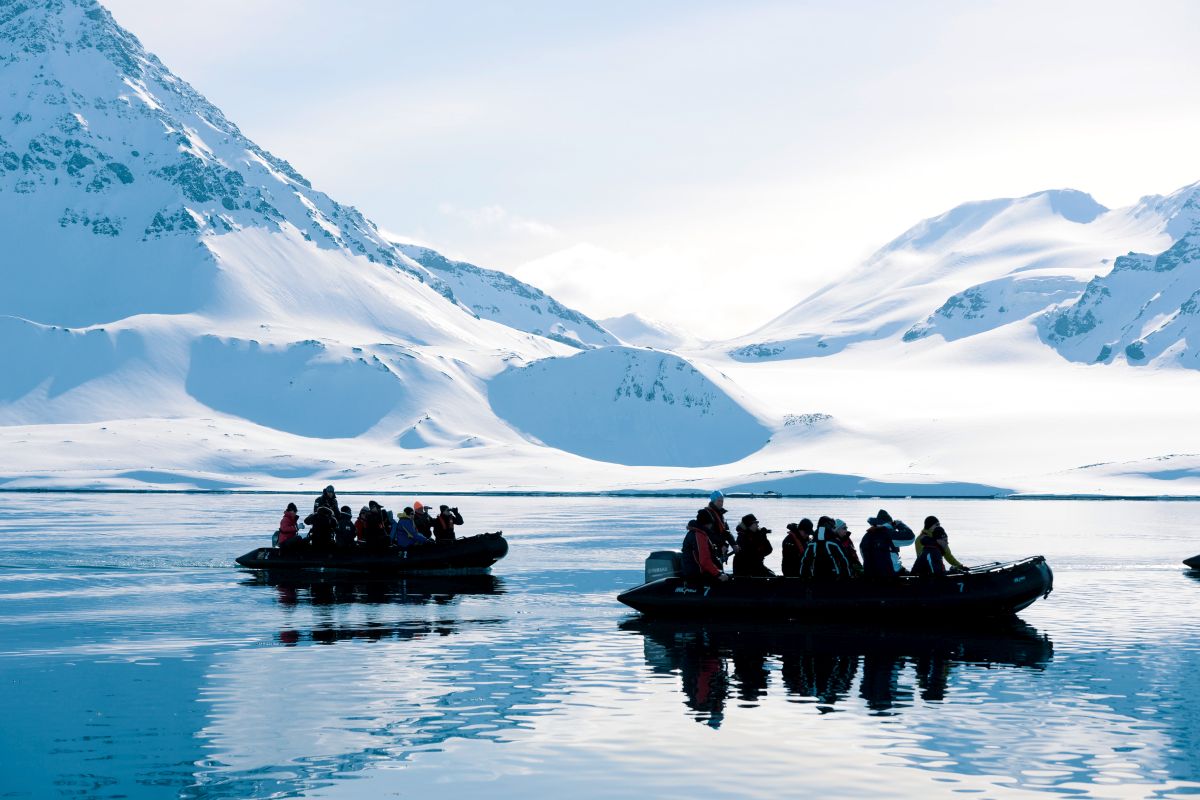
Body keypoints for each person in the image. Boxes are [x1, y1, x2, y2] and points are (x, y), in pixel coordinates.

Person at [858, 509, 915, 578]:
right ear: (889, 522)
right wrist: (900, 524)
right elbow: (910, 538)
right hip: (890, 575)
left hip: (871, 575)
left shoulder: (866, 537)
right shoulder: (888, 534)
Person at [681, 508, 729, 585]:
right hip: (696, 574)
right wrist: (718, 574)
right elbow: (704, 560)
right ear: (707, 523)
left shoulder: (699, 533)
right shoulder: (699, 535)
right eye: (711, 523)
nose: (711, 526)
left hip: (697, 571)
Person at [798, 515, 855, 579]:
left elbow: (805, 562)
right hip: (834, 579)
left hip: (816, 579)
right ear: (829, 526)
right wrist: (847, 577)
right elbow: (844, 560)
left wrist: (804, 578)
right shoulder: (834, 543)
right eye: (833, 527)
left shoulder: (812, 544)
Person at [705, 491, 738, 561]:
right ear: (713, 501)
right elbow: (708, 534)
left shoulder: (721, 515)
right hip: (711, 550)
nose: (721, 503)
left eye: (722, 501)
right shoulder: (707, 514)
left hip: (721, 550)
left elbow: (726, 532)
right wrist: (721, 545)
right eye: (719, 501)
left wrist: (734, 544)